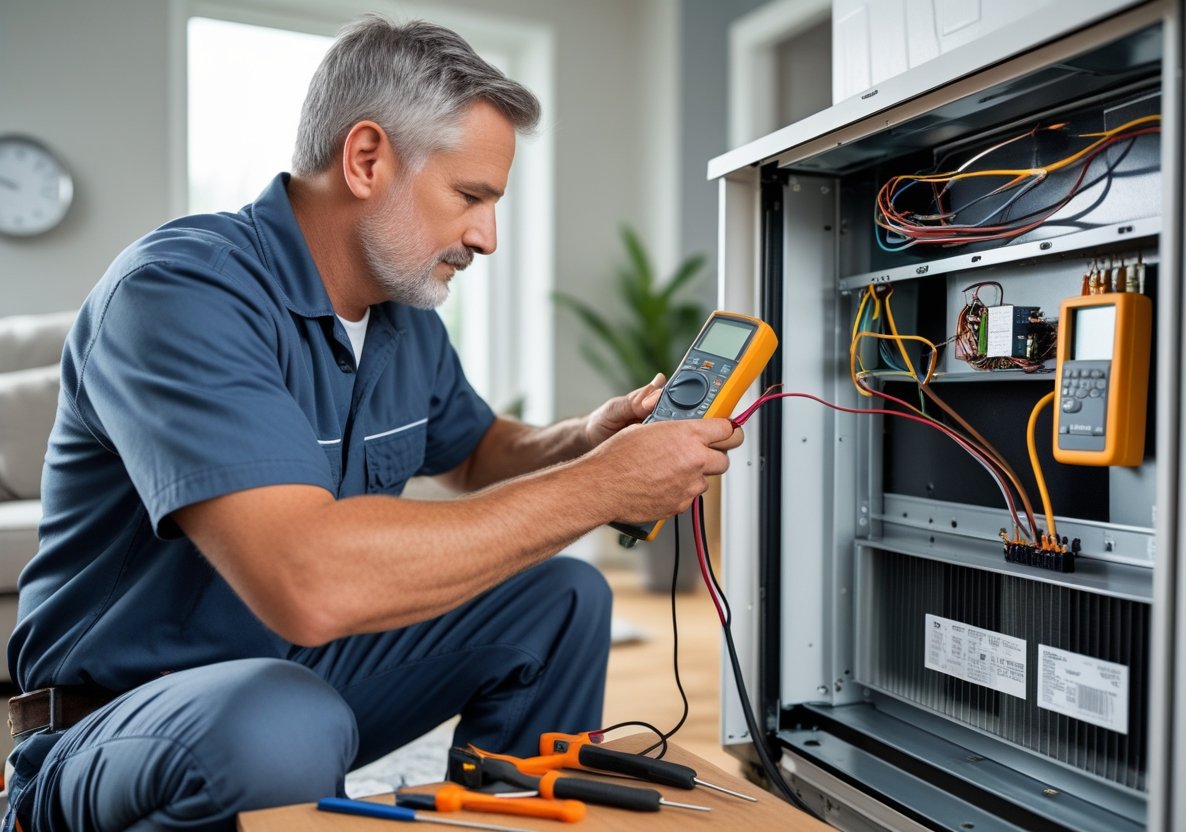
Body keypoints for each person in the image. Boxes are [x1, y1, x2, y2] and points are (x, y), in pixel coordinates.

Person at [3, 15, 741, 832]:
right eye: (470, 197)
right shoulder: (178, 294)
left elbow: (479, 451)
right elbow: (309, 585)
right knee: (285, 721)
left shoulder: (403, 316)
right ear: (365, 160)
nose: (486, 237)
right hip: (109, 726)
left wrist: (589, 440)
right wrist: (600, 486)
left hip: (295, 678)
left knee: (563, 597)